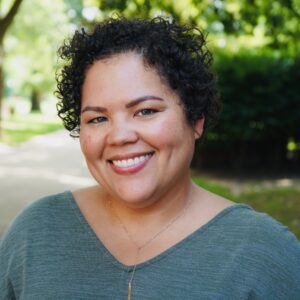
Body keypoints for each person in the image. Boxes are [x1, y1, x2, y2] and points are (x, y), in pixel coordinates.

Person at [0, 16, 299, 300]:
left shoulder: (265, 254)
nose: (119, 136)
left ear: (196, 119)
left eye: (146, 111)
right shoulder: (34, 234)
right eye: (97, 119)